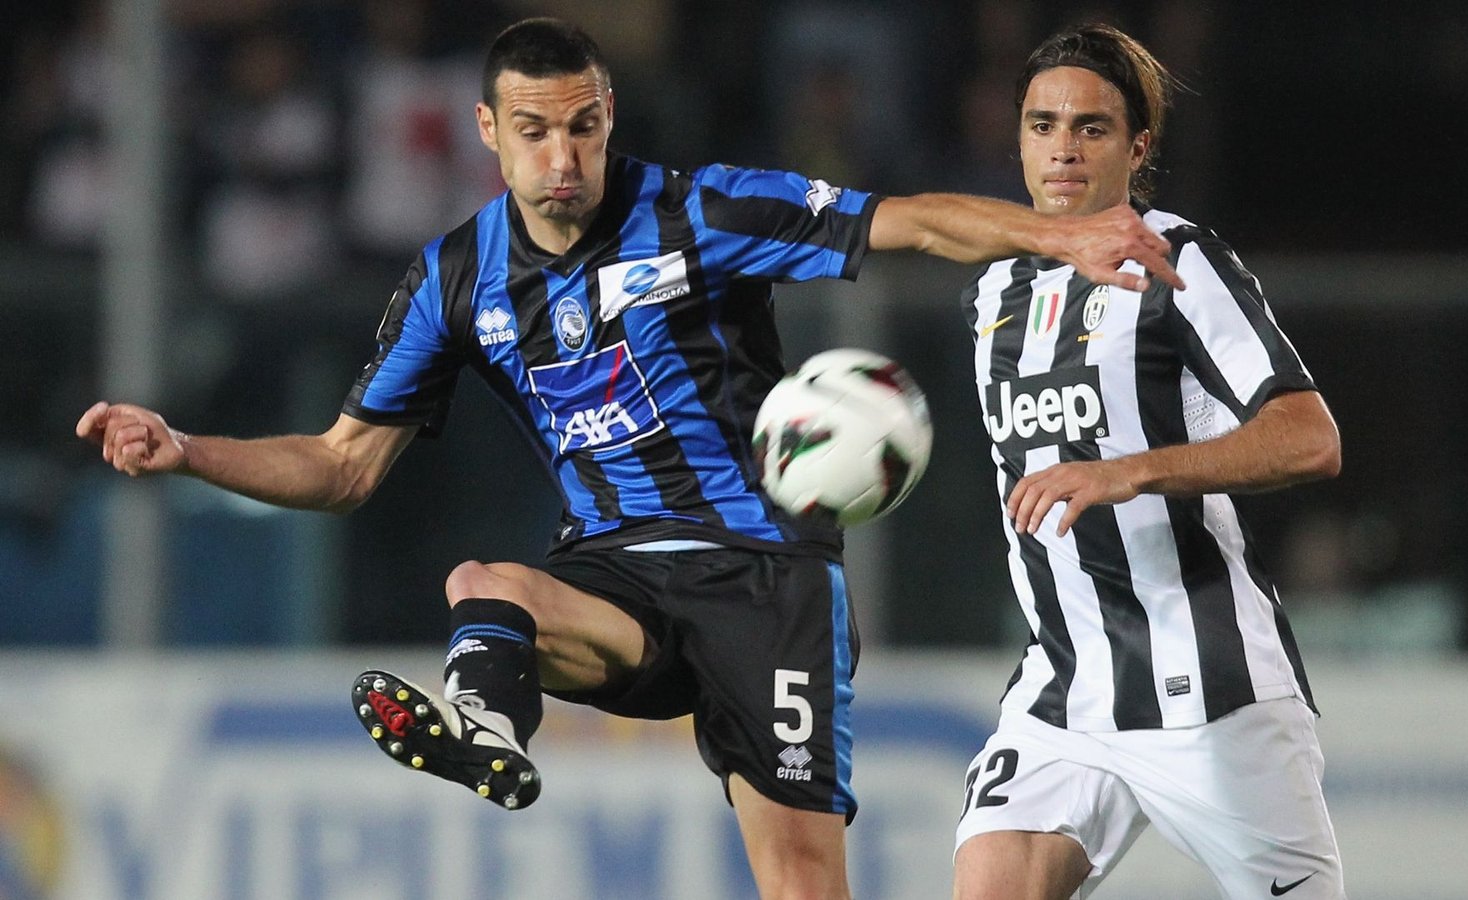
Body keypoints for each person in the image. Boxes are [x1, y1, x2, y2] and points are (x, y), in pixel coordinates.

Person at [75, 17, 1182, 900]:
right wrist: (185, 450)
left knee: (799, 885)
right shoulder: (455, 279)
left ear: (609, 119)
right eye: (536, 132)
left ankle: (489, 713)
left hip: (767, 578)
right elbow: (341, 465)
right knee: (484, 585)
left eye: (584, 127)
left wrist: (1060, 234)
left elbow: (907, 222)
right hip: (617, 575)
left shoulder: (700, 210)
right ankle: (488, 730)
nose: (564, 158)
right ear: (487, 132)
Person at [952, 24, 1346, 900]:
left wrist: (1125, 471)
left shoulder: (1180, 261)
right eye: (1041, 124)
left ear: (1137, 147)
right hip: (1067, 688)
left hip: (1212, 689)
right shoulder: (995, 289)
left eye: (1090, 127)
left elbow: (1310, 437)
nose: (1062, 147)